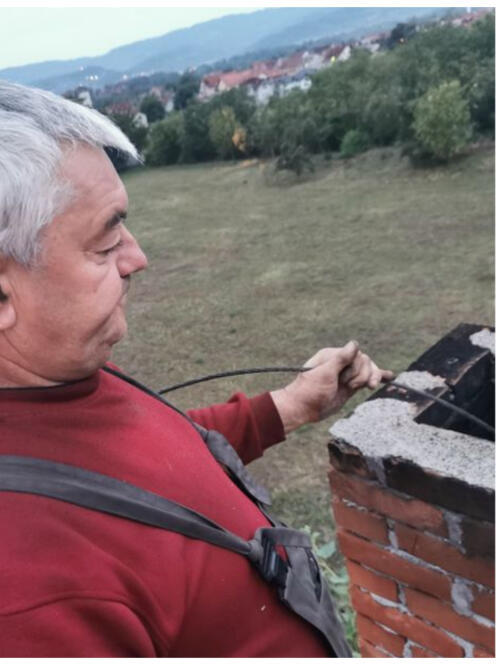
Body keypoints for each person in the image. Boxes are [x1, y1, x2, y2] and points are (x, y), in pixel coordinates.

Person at [0, 80, 392, 656]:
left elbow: (136, 458)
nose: (138, 258)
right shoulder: (31, 604)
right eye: (105, 245)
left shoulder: (55, 381)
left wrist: (291, 405)